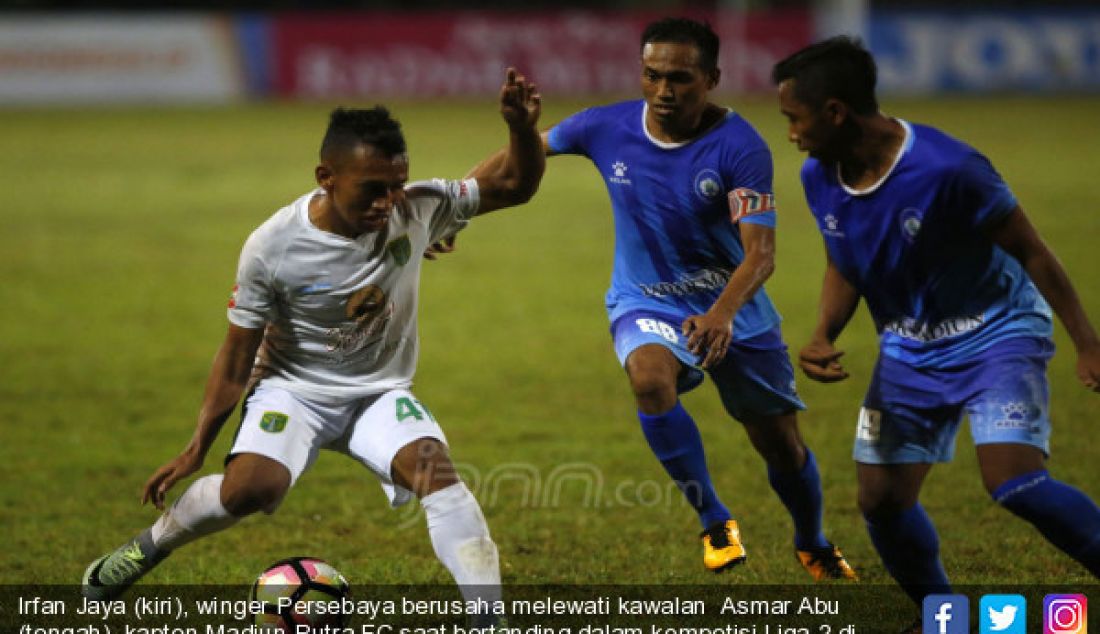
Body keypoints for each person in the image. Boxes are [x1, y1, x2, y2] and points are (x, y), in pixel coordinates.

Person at [81, 68, 545, 614]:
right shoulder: (273, 246)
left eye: (397, 184)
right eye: (373, 189)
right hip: (292, 388)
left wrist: (518, 129)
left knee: (438, 478)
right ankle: (150, 546)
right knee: (250, 491)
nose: (388, 201)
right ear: (326, 176)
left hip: (379, 391)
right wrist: (195, 449)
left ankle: (488, 621)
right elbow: (235, 357)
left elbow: (514, 184)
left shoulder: (416, 207)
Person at [473, 17, 855, 579]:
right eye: (652, 76)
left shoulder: (740, 146)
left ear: (712, 78)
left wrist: (722, 314)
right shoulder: (604, 125)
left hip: (735, 310)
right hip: (645, 301)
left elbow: (762, 254)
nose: (664, 91)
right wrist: (456, 207)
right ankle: (714, 520)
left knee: (781, 447)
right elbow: (516, 164)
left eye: (679, 78)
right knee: (649, 379)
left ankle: (812, 540)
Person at [772, 36, 1100, 610]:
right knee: (880, 501)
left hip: (998, 332)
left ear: (835, 112)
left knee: (1015, 483)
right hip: (909, 349)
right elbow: (844, 262)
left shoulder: (950, 168)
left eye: (794, 119)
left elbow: (1034, 252)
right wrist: (825, 331)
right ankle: (940, 615)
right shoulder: (818, 176)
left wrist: (1088, 344)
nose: (790, 133)